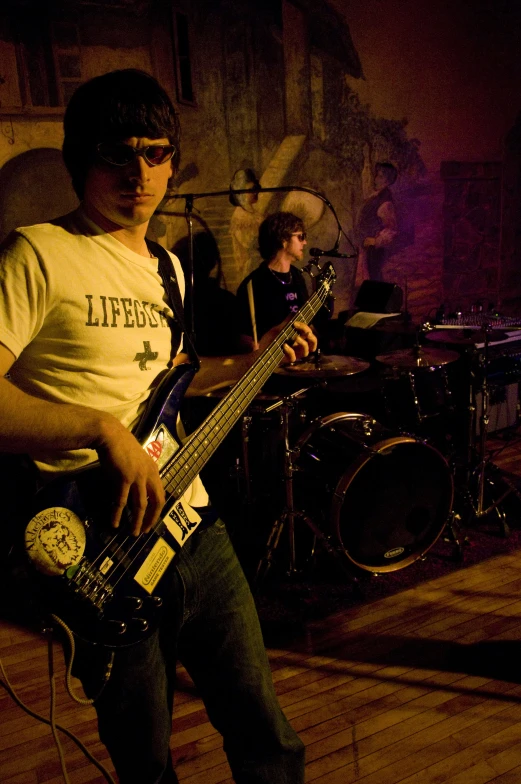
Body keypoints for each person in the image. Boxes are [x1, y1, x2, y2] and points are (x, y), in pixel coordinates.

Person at [0, 69, 316, 784]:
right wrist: (101, 431)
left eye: (154, 152)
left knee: (266, 736)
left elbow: (172, 384)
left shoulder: (168, 269)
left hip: (191, 526)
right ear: (80, 158)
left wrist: (253, 358)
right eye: (117, 153)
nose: (138, 173)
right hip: (100, 544)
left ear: (172, 160)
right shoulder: (39, 252)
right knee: (146, 761)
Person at [236, 211, 310, 346]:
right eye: (300, 236)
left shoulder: (298, 276)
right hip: (271, 363)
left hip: (300, 359)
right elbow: (243, 335)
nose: (305, 242)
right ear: (283, 240)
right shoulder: (254, 283)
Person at [356, 161, 399, 283]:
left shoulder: (385, 202)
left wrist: (376, 241)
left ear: (387, 181)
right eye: (377, 175)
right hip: (366, 250)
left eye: (380, 176)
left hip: (374, 252)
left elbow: (392, 230)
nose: (376, 179)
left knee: (374, 282)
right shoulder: (375, 197)